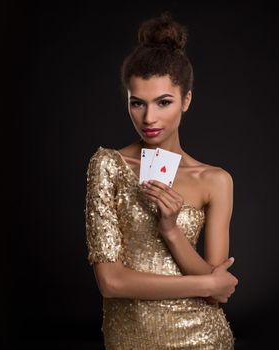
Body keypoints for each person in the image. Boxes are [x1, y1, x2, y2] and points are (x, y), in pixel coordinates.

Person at [85, 11, 238, 349]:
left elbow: (215, 284)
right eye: (137, 103)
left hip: (202, 336)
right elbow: (111, 282)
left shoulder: (215, 180)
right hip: (130, 338)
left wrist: (170, 229)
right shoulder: (107, 165)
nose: (149, 118)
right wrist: (208, 285)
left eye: (163, 102)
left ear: (186, 100)